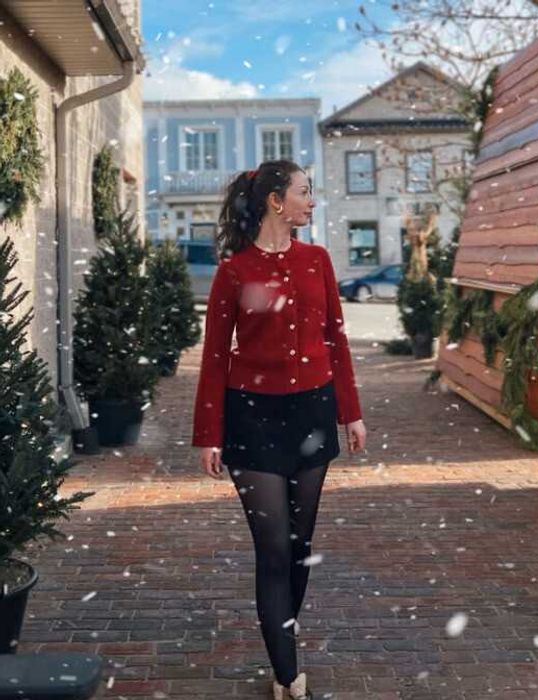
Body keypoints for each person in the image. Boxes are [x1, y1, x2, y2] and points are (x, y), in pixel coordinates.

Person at [191, 160, 367, 700]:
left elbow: (336, 339)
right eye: (304, 193)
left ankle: (281, 636)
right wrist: (209, 433)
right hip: (253, 420)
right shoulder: (234, 271)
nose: (311, 202)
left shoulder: (317, 261)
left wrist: (350, 412)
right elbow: (215, 357)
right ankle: (288, 674)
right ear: (275, 201)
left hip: (312, 415)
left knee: (299, 545)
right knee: (271, 549)